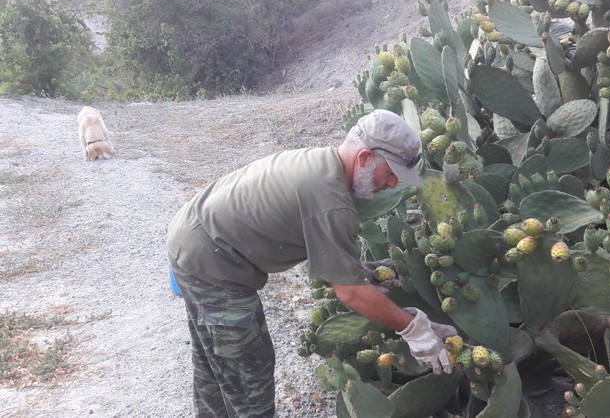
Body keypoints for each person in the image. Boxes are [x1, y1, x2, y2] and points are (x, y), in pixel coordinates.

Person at [167, 109, 457, 417]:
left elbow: (316, 238)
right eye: (390, 172)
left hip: (193, 239)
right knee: (249, 376)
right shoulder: (331, 202)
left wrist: (356, 271)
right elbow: (350, 292)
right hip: (214, 262)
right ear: (364, 158)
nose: (393, 183)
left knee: (216, 363)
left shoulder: (322, 164)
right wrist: (412, 328)